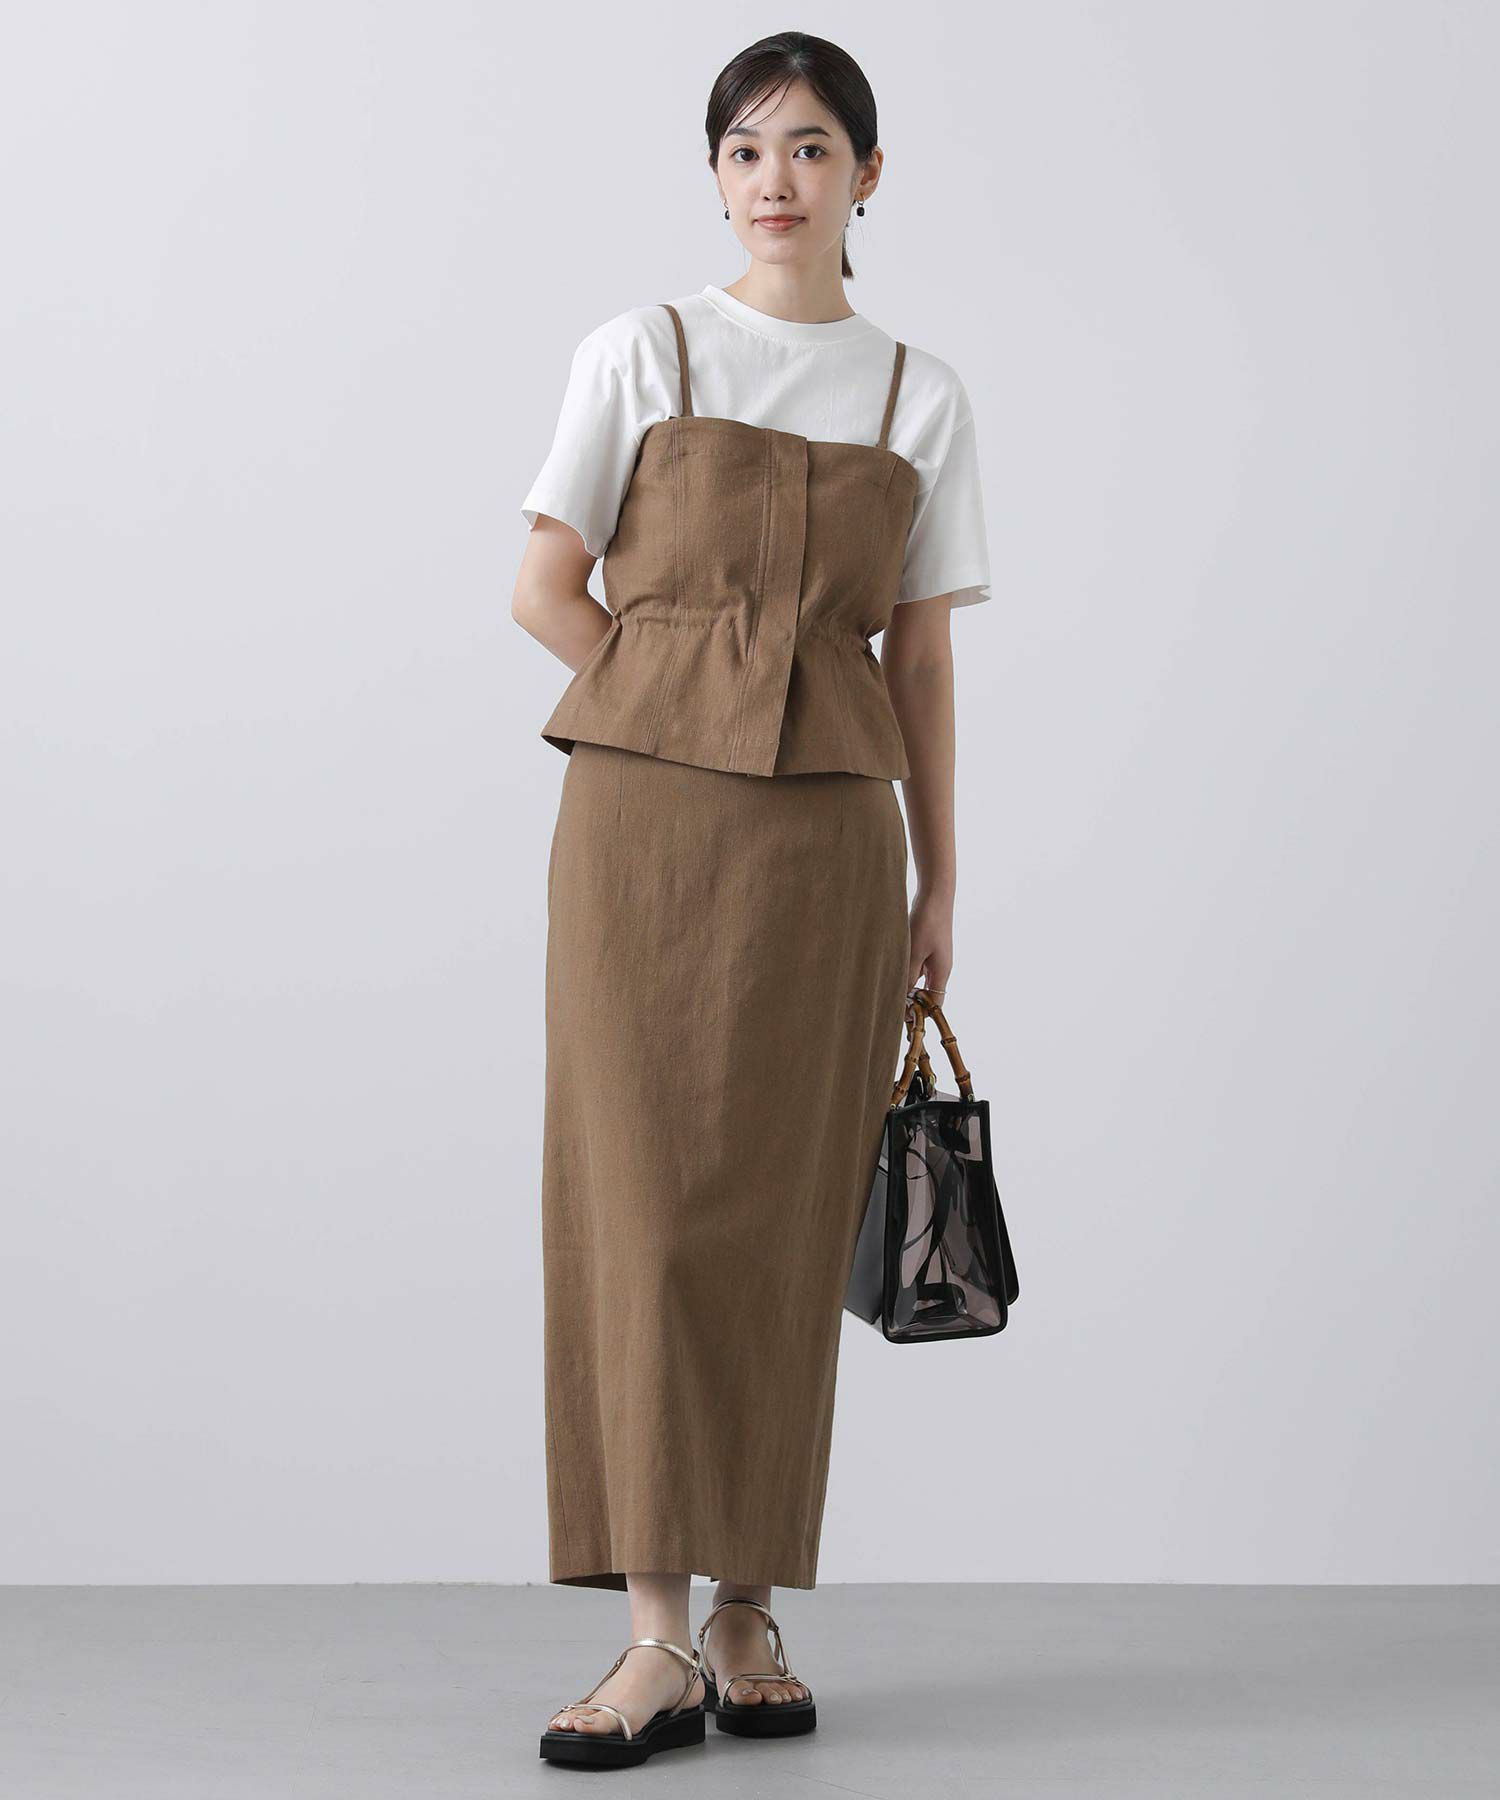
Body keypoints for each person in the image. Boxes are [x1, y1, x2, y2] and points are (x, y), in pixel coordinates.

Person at [512, 31, 991, 1771]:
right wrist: (687, 708)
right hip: (639, 834)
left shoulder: (916, 394)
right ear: (714, 174)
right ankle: (653, 1634)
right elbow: (545, 586)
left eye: (809, 147)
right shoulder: (641, 350)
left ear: (868, 174)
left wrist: (941, 873)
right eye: (742, 148)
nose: (773, 178)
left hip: (829, 854)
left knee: (785, 1218)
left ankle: (745, 1612)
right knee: (639, 1210)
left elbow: (918, 660)